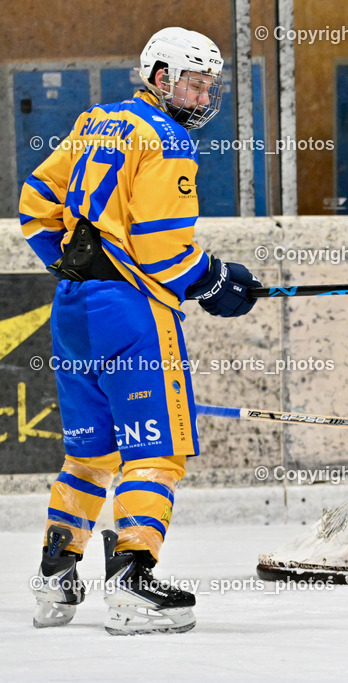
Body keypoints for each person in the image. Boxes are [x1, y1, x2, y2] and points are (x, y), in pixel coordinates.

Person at [21, 27, 260, 634]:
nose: (202, 97)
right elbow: (160, 247)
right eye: (193, 83)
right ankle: (132, 581)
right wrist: (211, 281)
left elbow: (35, 201)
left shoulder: (96, 121)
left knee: (91, 453)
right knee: (156, 451)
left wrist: (73, 264)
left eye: (208, 86)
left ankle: (55, 575)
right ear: (159, 77)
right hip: (132, 315)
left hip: (73, 309)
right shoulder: (168, 139)